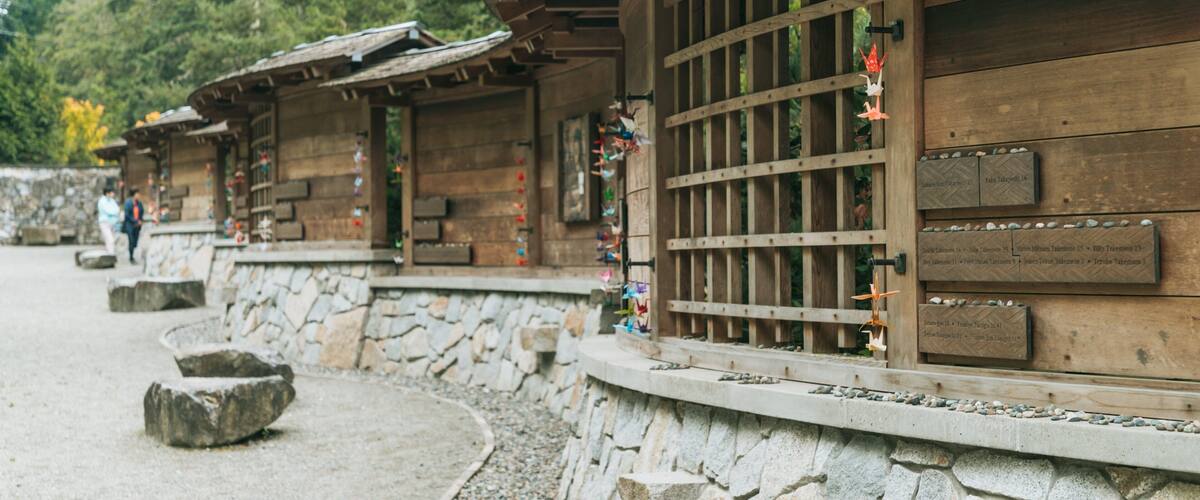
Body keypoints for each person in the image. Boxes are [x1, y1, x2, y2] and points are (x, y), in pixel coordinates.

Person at [96, 187, 121, 255]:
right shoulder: (102, 201)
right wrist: (115, 212)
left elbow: (117, 209)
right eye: (112, 192)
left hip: (112, 223)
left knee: (111, 239)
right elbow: (109, 211)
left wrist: (116, 212)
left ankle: (110, 253)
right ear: (107, 193)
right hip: (105, 223)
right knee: (110, 239)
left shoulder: (112, 200)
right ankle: (111, 254)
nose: (113, 194)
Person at [122, 189, 145, 264]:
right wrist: (135, 220)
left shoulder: (139, 203)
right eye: (137, 194)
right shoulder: (128, 203)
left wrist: (140, 220)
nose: (138, 196)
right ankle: (131, 257)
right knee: (131, 240)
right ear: (134, 195)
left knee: (135, 241)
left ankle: (132, 252)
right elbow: (127, 215)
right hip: (130, 224)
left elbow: (141, 212)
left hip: (137, 225)